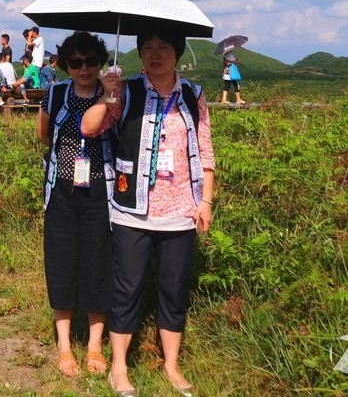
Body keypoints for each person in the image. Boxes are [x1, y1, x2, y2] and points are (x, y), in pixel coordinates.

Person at [88, 24, 215, 397]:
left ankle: (172, 366)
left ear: (177, 53)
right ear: (140, 54)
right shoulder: (125, 92)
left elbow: (205, 151)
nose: (155, 53)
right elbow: (89, 128)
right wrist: (107, 95)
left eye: (163, 47)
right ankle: (119, 368)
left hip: (181, 210)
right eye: (147, 47)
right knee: (127, 289)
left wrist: (205, 200)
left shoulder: (193, 95)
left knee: (173, 290)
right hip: (132, 210)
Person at [36, 31, 114, 378]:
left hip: (101, 190)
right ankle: (65, 346)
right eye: (76, 62)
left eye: (91, 61)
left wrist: (110, 96)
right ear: (66, 65)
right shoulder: (54, 94)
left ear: (100, 62)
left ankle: (95, 344)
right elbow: (44, 135)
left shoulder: (113, 96)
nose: (84, 68)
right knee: (61, 261)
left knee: (99, 261)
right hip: (62, 191)